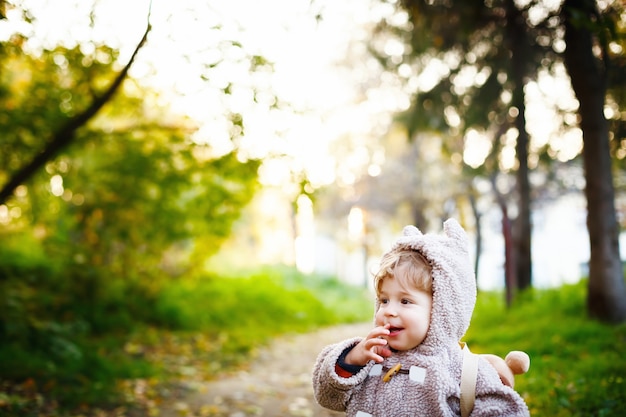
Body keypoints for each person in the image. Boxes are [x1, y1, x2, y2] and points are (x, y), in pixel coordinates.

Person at [312, 219, 530, 416]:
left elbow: (505, 411)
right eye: (384, 300)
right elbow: (327, 397)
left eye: (405, 301)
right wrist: (352, 360)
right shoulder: (370, 357)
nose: (389, 310)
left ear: (442, 309)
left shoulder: (462, 369)